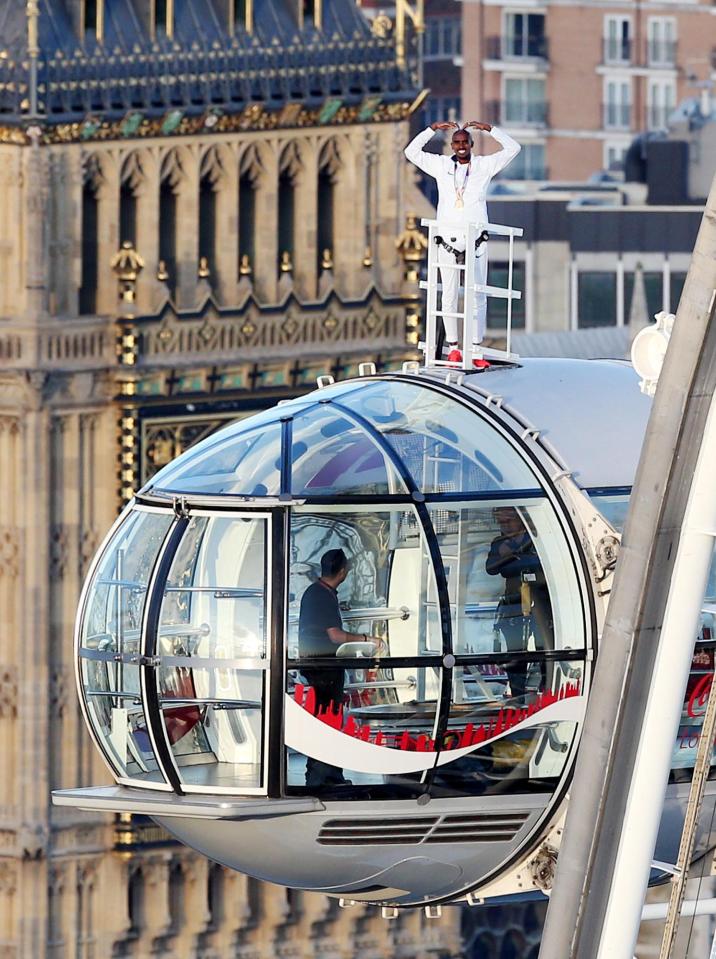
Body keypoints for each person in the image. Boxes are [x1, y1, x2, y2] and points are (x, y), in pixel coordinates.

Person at [404, 119, 521, 365]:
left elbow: (513, 149)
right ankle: (454, 347)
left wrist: (490, 129)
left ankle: (476, 349)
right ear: (451, 145)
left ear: (471, 144)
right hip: (447, 239)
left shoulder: (484, 166)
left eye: (464, 142)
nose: (460, 146)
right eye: (456, 142)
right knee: (448, 294)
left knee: (478, 295)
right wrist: (431, 130)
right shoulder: (440, 166)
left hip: (476, 240)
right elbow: (411, 152)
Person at [298, 548, 383, 788]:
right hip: (323, 669)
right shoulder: (322, 596)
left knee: (327, 721)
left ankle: (328, 775)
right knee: (327, 722)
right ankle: (322, 777)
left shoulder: (317, 592)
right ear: (343, 572)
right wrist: (368, 639)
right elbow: (335, 635)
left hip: (318, 667)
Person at [486, 507, 552, 700]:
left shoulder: (536, 539)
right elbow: (491, 568)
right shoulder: (499, 543)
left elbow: (538, 564)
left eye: (508, 521)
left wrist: (512, 556)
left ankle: (547, 688)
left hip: (540, 603)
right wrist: (510, 556)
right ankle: (517, 694)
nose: (504, 527)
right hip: (514, 604)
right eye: (501, 523)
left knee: (544, 647)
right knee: (515, 651)